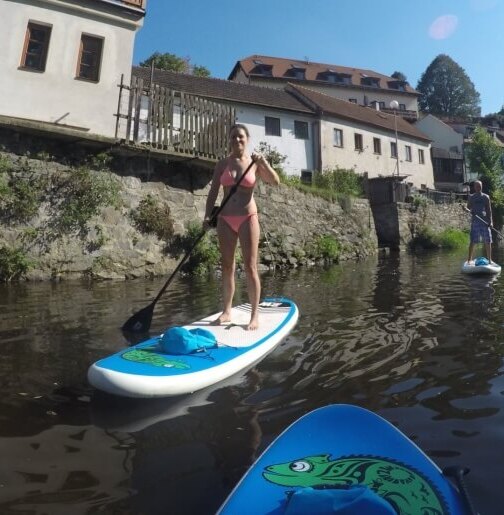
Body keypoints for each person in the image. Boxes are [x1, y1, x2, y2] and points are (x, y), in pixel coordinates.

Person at [203, 124, 280, 330]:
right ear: (230, 140)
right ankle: (227, 311)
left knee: (250, 266)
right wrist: (207, 217)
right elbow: (213, 193)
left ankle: (254, 315)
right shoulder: (222, 164)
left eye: (241, 137)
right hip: (225, 219)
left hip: (248, 217)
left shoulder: (254, 163)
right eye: (234, 137)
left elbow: (275, 181)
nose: (237, 140)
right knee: (227, 266)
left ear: (247, 140)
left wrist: (264, 162)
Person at [467, 180, 493, 264]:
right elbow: (468, 208)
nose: (478, 187)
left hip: (485, 222)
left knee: (488, 241)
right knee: (473, 241)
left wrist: (491, 221)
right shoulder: (471, 197)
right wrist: (466, 209)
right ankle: (469, 259)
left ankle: (489, 260)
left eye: (480, 186)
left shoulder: (486, 197)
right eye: (477, 186)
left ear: (482, 187)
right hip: (475, 222)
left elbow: (489, 210)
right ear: (474, 187)